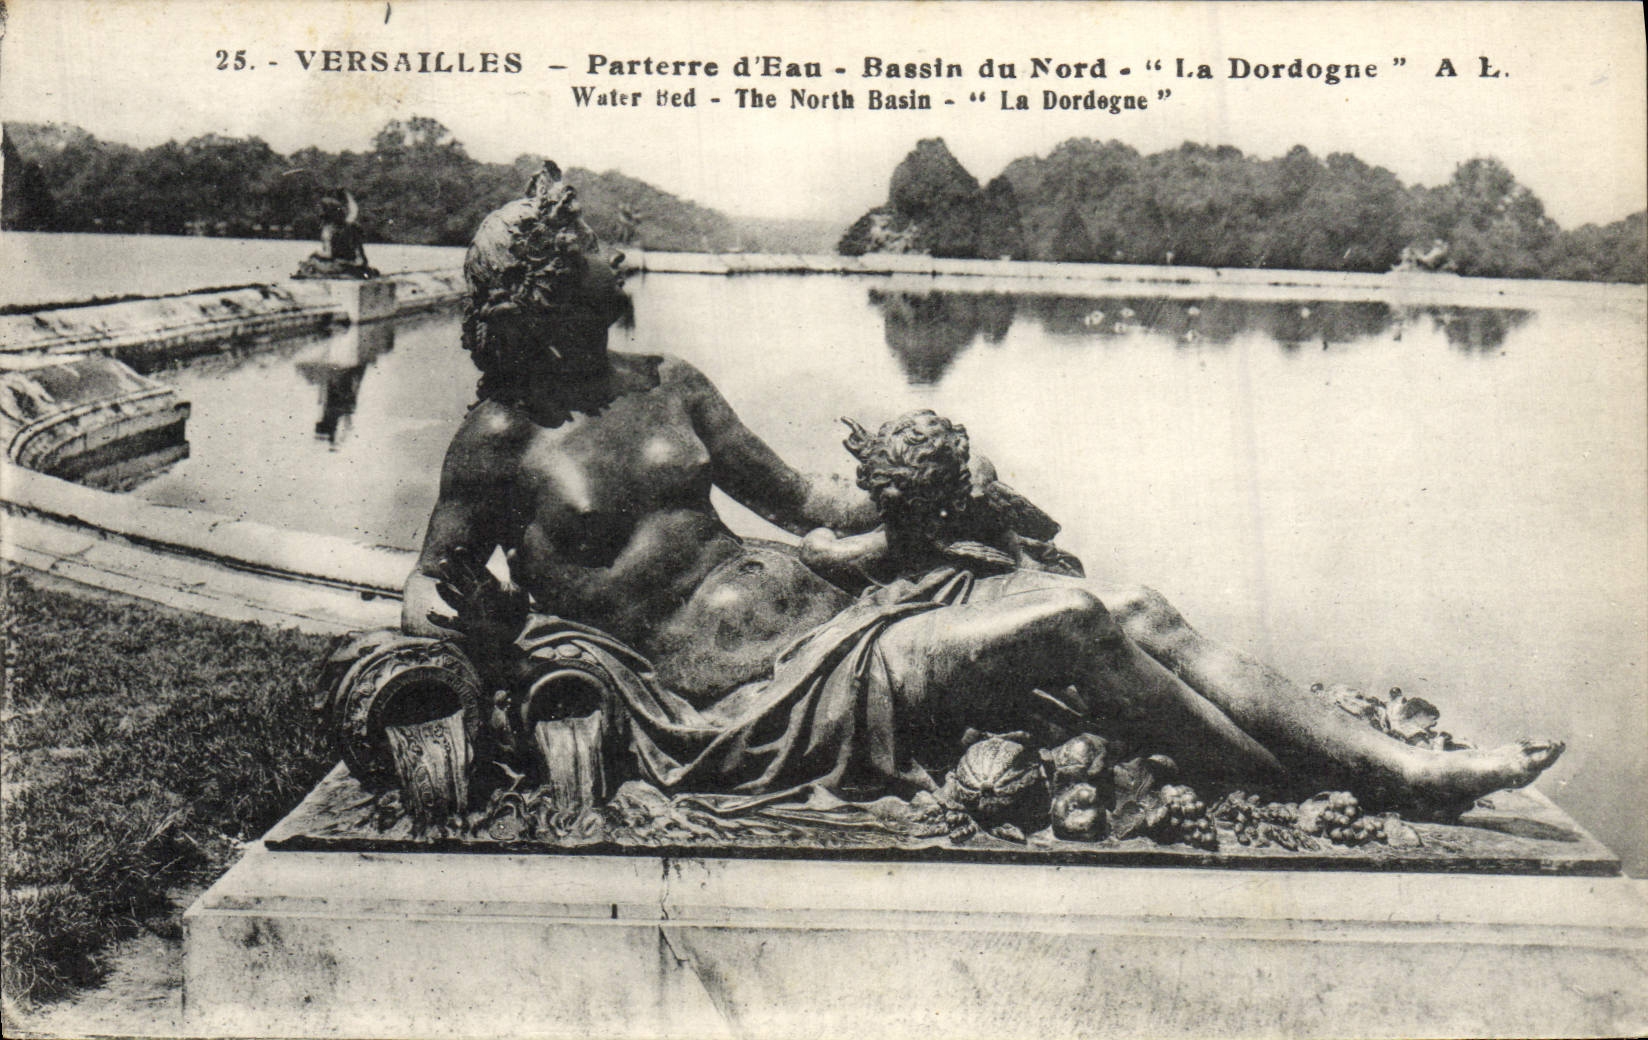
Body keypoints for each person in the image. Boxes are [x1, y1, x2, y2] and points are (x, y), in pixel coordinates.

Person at [401, 171, 1563, 816]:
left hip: (835, 604)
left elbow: (809, 501)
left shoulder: (670, 383)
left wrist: (923, 497)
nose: (630, 260)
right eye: (606, 252)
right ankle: (1318, 784)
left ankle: (1393, 768)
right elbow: (425, 587)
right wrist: (470, 630)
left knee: (1137, 607)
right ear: (551, 283)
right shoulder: (494, 444)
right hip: (754, 699)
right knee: (1066, 619)